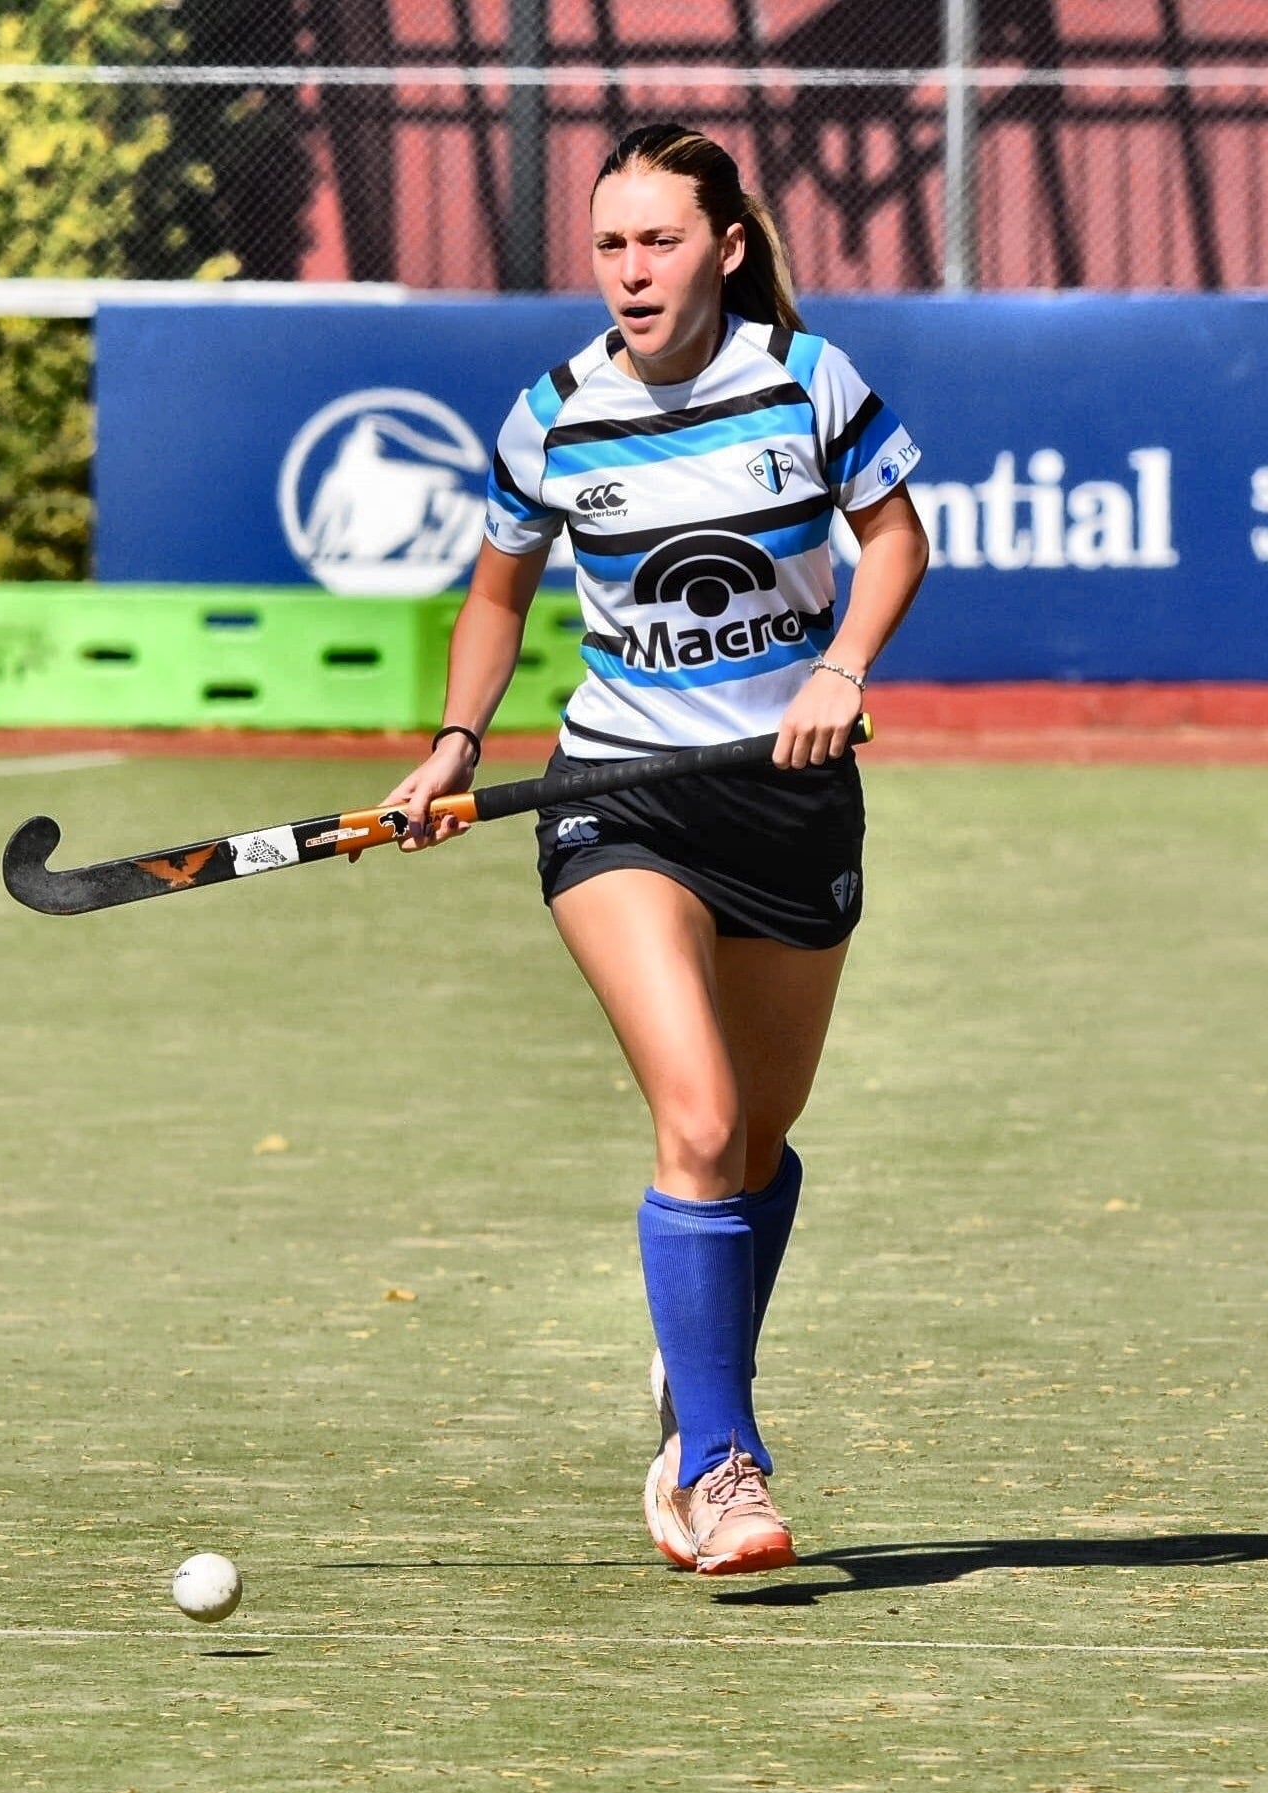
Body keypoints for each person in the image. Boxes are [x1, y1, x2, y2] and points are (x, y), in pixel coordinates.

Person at [385, 124, 930, 1575]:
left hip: (789, 800)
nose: (632, 271)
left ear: (727, 248)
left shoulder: (809, 384)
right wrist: (454, 742)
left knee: (756, 1146)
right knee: (696, 1122)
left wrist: (843, 669)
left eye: (661, 241)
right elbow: (497, 597)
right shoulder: (555, 411)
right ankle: (721, 1460)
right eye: (612, 244)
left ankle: (696, 1366)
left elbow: (895, 542)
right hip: (619, 797)